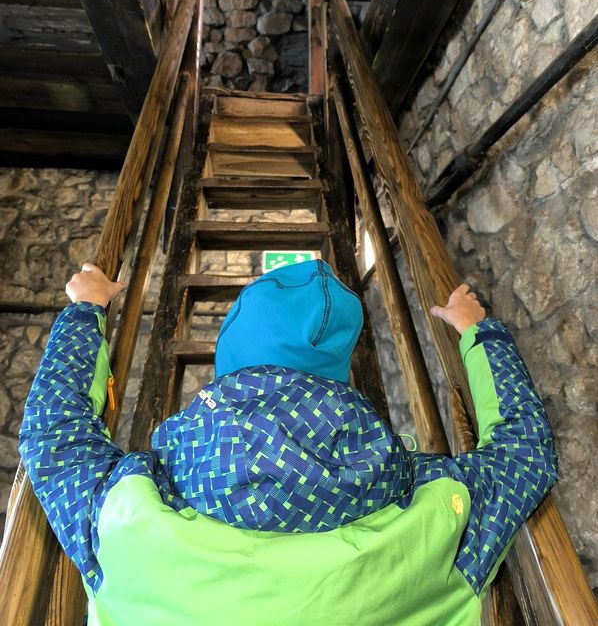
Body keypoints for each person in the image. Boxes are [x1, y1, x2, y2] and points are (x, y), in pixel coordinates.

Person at [19, 258, 557, 626]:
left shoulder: (125, 516)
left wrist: (85, 310)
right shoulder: (440, 512)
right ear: (339, 382)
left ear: (228, 367)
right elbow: (526, 450)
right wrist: (478, 332)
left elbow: (52, 431)